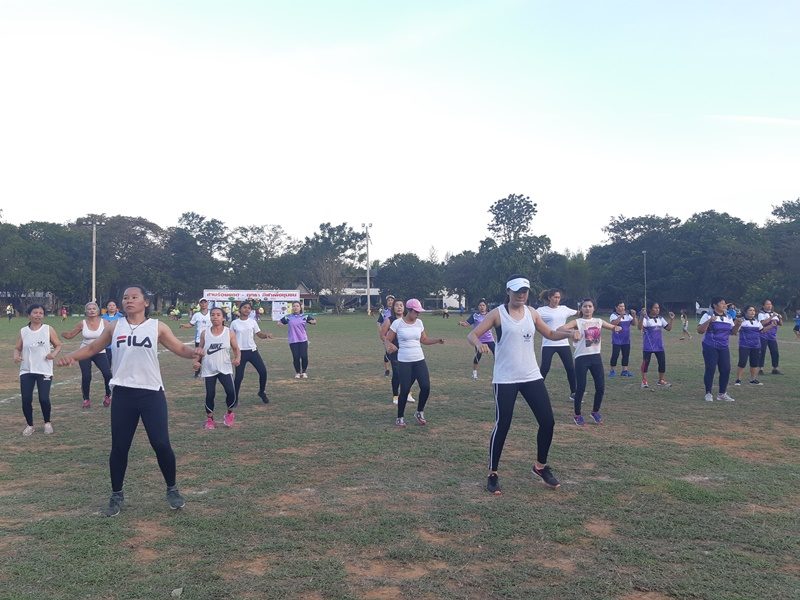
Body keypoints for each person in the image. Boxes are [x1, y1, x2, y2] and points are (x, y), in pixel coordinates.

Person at [56, 285, 200, 517]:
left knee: (161, 444)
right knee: (120, 447)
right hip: (123, 394)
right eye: (125, 297)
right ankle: (116, 495)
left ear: (145, 302)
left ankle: (172, 489)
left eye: (134, 297)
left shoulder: (157, 327)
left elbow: (180, 348)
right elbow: (92, 348)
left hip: (151, 393)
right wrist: (71, 357)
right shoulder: (114, 326)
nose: (129, 301)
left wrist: (194, 352)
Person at [467, 275, 578, 495]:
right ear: (508, 291)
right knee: (503, 424)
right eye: (517, 291)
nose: (521, 295)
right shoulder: (497, 313)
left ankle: (540, 467)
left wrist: (569, 333)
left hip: (531, 376)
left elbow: (551, 333)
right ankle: (492, 473)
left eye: (524, 291)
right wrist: (478, 344)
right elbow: (472, 334)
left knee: (548, 421)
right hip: (505, 378)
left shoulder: (532, 313)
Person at [558, 298, 622, 425]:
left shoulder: (598, 321)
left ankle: (595, 412)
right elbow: (560, 329)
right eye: (585, 306)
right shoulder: (577, 322)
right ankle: (577, 415)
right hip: (581, 358)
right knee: (581, 388)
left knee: (600, 387)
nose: (587, 308)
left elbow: (612, 327)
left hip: (595, 357)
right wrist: (572, 332)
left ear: (594, 308)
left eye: (590, 306)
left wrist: (616, 328)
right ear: (581, 309)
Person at [384, 298, 444, 427]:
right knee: (405, 389)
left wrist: (437, 340)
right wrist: (389, 346)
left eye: (419, 312)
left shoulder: (419, 323)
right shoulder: (398, 323)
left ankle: (419, 412)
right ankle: (400, 417)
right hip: (404, 360)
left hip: (419, 359)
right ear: (409, 310)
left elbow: (424, 339)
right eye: (416, 311)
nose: (418, 314)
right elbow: (387, 339)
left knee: (426, 387)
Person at [14, 304, 62, 436]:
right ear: (29, 315)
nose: (38, 315)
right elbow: (17, 348)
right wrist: (16, 356)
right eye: (35, 312)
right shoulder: (23, 331)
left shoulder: (48, 329)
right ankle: (30, 425)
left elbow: (58, 345)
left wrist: (53, 354)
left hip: (44, 370)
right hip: (26, 370)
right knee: (26, 399)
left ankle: (47, 423)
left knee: (44, 398)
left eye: (41, 313)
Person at [193, 307, 241, 429]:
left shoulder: (229, 332)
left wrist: (237, 358)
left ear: (223, 318)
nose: (215, 317)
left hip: (225, 368)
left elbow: (236, 349)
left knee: (231, 392)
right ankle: (210, 420)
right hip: (209, 368)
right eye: (213, 314)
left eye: (218, 315)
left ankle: (229, 414)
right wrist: (196, 361)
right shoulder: (205, 333)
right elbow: (200, 350)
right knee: (210, 394)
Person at [61, 301, 112, 408]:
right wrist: (62, 333)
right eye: (89, 309)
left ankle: (108, 395)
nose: (91, 311)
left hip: (99, 351)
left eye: (94, 309)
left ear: (98, 311)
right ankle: (86, 399)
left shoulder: (105, 322)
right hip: (84, 352)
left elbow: (113, 335)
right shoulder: (82, 323)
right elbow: (70, 335)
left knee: (107, 374)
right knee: (86, 376)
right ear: (86, 311)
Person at [536, 289, 579, 400]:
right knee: (545, 368)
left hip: (563, 343)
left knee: (570, 368)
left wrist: (577, 325)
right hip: (548, 343)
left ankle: (574, 393)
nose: (557, 299)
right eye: (555, 297)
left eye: (558, 297)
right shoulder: (541, 311)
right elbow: (531, 319)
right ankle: (536, 391)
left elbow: (580, 313)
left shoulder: (564, 309)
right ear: (549, 297)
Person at [697, 297, 741, 402]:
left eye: (725, 303)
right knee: (711, 368)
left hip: (723, 346)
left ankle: (722, 393)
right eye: (722, 303)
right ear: (714, 305)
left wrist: (738, 324)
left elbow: (733, 332)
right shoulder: (708, 315)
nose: (724, 305)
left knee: (726, 369)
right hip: (710, 346)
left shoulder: (728, 317)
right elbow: (700, 330)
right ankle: (708, 393)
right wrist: (709, 321)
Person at [230, 301, 272, 403]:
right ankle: (235, 398)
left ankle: (261, 392)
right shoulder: (234, 323)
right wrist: (235, 353)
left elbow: (259, 334)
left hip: (252, 351)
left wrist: (265, 335)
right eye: (244, 307)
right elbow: (231, 338)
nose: (247, 310)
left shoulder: (252, 322)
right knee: (239, 377)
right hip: (240, 352)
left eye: (249, 308)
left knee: (263, 372)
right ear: (240, 309)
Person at [379, 299, 415, 405]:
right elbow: (382, 335)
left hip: (407, 350)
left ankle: (407, 393)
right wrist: (389, 345)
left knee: (410, 373)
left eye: (401, 305)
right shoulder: (389, 320)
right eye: (396, 305)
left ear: (404, 308)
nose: (399, 307)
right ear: (393, 308)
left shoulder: (408, 320)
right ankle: (396, 396)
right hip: (394, 351)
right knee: (397, 373)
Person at [637, 302, 675, 389]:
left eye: (658, 308)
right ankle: (644, 381)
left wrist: (671, 319)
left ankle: (661, 380)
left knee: (662, 363)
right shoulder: (646, 319)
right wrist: (642, 317)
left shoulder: (660, 318)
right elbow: (639, 327)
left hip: (659, 346)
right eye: (655, 308)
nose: (657, 309)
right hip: (648, 346)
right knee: (646, 363)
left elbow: (668, 328)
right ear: (650, 309)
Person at [734, 305, 775, 386]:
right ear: (745, 312)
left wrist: (771, 326)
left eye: (753, 310)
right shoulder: (741, 321)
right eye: (750, 310)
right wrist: (737, 324)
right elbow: (735, 331)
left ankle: (753, 380)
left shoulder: (757, 321)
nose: (752, 312)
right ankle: (738, 380)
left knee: (754, 363)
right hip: (744, 345)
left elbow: (762, 330)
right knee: (742, 362)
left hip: (756, 346)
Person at [279, 301, 317, 379]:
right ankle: (298, 372)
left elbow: (314, 321)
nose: (295, 307)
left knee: (304, 356)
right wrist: (280, 324)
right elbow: (280, 322)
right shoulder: (288, 317)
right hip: (293, 340)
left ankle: (304, 372)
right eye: (294, 306)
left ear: (300, 308)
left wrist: (312, 322)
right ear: (292, 308)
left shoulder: (305, 316)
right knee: (296, 357)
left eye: (297, 306)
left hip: (303, 340)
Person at [459, 299, 495, 380]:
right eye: (480, 305)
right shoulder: (475, 315)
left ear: (486, 306)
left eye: (483, 305)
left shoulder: (490, 315)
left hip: (490, 339)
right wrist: (462, 323)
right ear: (478, 307)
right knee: (478, 356)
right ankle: (474, 373)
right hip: (479, 341)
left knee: (497, 355)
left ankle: (497, 372)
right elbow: (467, 324)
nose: (482, 307)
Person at [181, 298, 212, 378]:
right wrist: (184, 325)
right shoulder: (196, 315)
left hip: (210, 338)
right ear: (200, 304)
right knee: (198, 356)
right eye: (202, 303)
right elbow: (191, 324)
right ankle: (197, 372)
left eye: (205, 302)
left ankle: (209, 372)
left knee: (210, 355)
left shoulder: (211, 314)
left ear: (207, 304)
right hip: (199, 339)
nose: (203, 304)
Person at [608, 301, 637, 377]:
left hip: (626, 340)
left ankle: (625, 371)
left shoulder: (627, 315)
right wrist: (620, 316)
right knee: (615, 355)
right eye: (620, 306)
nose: (622, 308)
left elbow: (634, 324)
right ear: (616, 307)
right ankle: (612, 370)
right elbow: (613, 324)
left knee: (626, 355)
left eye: (623, 306)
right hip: (617, 340)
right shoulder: (613, 315)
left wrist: (634, 316)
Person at [758, 300, 782, 375]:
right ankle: (760, 369)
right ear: (763, 306)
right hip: (763, 336)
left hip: (772, 336)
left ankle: (775, 368)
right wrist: (772, 317)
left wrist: (780, 318)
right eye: (767, 304)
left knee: (775, 352)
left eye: (770, 304)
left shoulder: (774, 313)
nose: (769, 306)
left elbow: (780, 324)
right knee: (762, 352)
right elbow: (762, 323)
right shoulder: (761, 314)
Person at [377, 294, 395, 376]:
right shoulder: (383, 312)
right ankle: (387, 370)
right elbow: (379, 323)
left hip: (397, 334)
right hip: (387, 335)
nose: (390, 302)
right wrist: (381, 333)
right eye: (389, 300)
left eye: (392, 300)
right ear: (386, 302)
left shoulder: (398, 311)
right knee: (388, 352)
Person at [102, 300, 123, 367]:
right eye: (110, 305)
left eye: (113, 305)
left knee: (118, 364)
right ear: (107, 307)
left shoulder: (121, 317)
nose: (112, 307)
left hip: (118, 344)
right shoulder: (102, 318)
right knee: (107, 365)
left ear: (116, 307)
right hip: (107, 346)